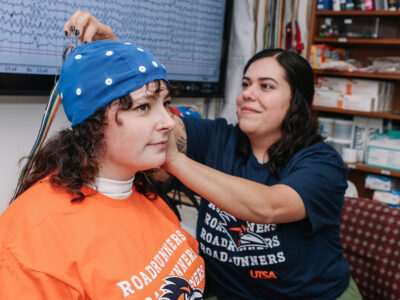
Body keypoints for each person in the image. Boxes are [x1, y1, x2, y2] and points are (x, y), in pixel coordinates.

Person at [64, 11, 363, 300]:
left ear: (296, 101)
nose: (248, 93)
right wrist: (113, 59)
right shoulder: (218, 137)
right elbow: (160, 127)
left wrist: (176, 160)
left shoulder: (322, 162)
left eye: (266, 86)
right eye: (245, 84)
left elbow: (268, 207)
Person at [0, 40, 205, 299]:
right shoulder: (36, 236)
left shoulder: (140, 188)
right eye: (144, 107)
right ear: (94, 124)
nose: (168, 122)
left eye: (165, 104)